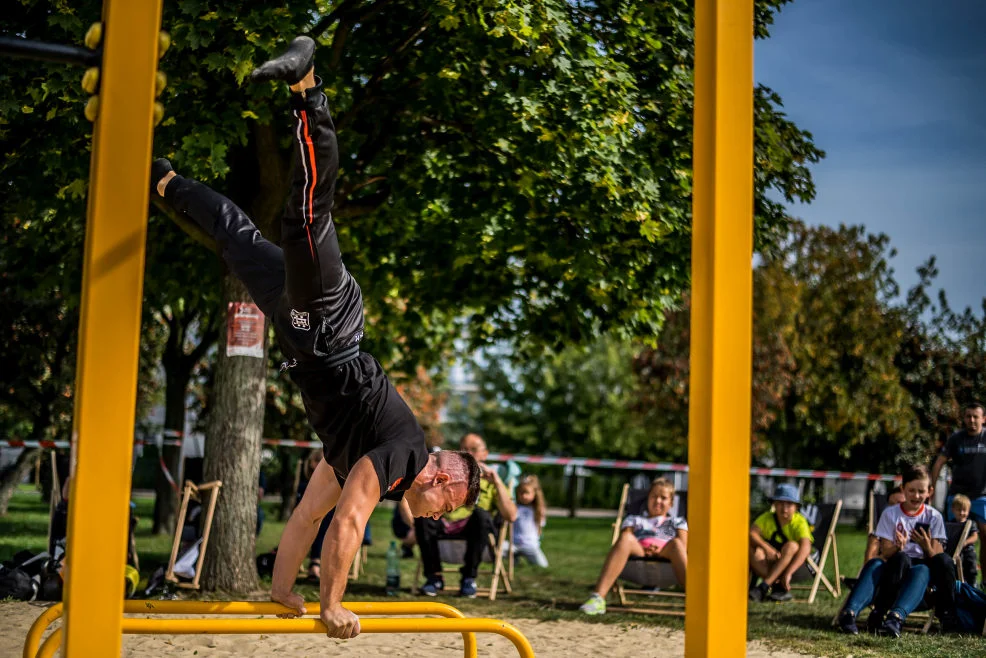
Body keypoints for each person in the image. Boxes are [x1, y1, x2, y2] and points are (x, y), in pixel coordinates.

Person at [150, 36, 481, 639]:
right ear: (442, 481)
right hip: (329, 323)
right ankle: (308, 90)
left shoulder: (353, 452)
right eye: (448, 509)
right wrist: (332, 603)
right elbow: (348, 522)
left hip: (304, 330)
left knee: (236, 238)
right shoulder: (401, 454)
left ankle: (163, 179)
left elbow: (307, 518)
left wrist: (282, 591)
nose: (438, 518)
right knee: (306, 215)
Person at [837, 464, 955, 637]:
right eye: (912, 490)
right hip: (894, 570)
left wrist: (925, 546)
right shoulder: (890, 514)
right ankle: (849, 614)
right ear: (903, 489)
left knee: (921, 569)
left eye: (921, 491)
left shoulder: (934, 516)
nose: (916, 496)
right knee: (882, 561)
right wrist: (897, 546)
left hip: (921, 572)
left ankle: (895, 618)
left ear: (929, 491)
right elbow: (884, 554)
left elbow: (937, 558)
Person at [415, 433, 518, 597]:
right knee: (423, 517)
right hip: (446, 524)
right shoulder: (446, 476)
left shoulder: (491, 481)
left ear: (485, 454)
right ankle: (433, 577)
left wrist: (497, 482)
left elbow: (511, 516)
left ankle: (469, 578)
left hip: (475, 530)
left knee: (481, 515)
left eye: (475, 449)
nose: (469, 453)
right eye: (464, 449)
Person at [580, 477, 688, 615]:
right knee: (625, 538)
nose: (658, 501)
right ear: (647, 498)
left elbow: (683, 546)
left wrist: (659, 549)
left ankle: (696, 600)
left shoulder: (677, 522)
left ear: (671, 502)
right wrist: (645, 548)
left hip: (667, 559)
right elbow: (624, 541)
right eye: (654, 496)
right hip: (638, 556)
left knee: (677, 543)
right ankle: (598, 598)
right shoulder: (634, 519)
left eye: (663, 498)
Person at [931, 402, 986, 578]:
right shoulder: (956, 438)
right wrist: (930, 488)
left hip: (981, 497)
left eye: (975, 416)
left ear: (983, 419)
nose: (971, 420)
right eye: (968, 416)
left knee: (985, 537)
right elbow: (940, 462)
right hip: (958, 497)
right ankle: (947, 579)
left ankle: (983, 579)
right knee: (949, 539)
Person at [748, 483, 813, 602]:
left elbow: (806, 547)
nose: (784, 508)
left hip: (796, 568)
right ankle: (777, 587)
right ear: (774, 505)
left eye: (789, 504)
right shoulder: (767, 518)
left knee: (792, 546)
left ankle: (764, 586)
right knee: (752, 550)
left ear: (796, 507)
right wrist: (767, 548)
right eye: (780, 503)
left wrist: (789, 573)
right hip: (771, 563)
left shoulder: (799, 522)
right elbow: (752, 533)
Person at [507, 474, 549, 568]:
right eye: (521, 493)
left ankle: (520, 559)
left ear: (534, 494)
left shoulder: (537, 510)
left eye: (527, 493)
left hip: (531, 546)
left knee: (543, 566)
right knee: (500, 551)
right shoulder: (515, 508)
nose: (523, 496)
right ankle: (515, 558)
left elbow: (541, 525)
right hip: (514, 544)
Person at [864, 486, 906, 562]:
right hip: (886, 562)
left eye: (899, 504)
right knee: (874, 537)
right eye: (891, 504)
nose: (894, 508)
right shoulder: (879, 534)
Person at [951, 494, 980, 586]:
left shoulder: (970, 523)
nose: (962, 513)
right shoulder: (951, 523)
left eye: (964, 510)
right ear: (953, 510)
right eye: (959, 510)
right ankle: (958, 586)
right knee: (955, 570)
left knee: (970, 567)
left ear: (968, 511)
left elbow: (975, 536)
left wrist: (966, 542)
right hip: (955, 551)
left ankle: (972, 584)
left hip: (968, 551)